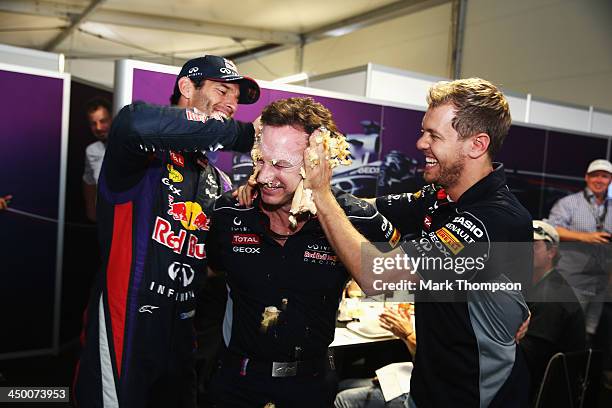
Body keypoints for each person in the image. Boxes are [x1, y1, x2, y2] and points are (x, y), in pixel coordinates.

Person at [305, 78, 533, 407]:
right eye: (423, 131)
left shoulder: (494, 219)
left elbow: (379, 276)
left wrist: (321, 195)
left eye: (434, 136)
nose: (420, 143)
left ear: (476, 145)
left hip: (475, 397)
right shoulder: (441, 197)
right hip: (429, 387)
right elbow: (369, 207)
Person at [73, 55, 260, 408]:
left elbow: (216, 259)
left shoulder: (216, 178)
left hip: (183, 329)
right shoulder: (142, 150)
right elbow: (132, 123)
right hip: (126, 323)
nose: (232, 104)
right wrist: (248, 135)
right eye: (223, 91)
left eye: (237, 98)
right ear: (187, 88)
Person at [205, 97, 398, 407]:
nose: (265, 175)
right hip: (236, 386)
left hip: (310, 388)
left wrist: (323, 201)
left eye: (281, 164)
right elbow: (207, 276)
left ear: (317, 162)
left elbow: (391, 284)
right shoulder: (230, 212)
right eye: (260, 160)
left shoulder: (355, 218)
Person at [521, 220, 586, 401]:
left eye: (534, 245)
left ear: (551, 252)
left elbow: (529, 356)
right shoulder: (535, 284)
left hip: (549, 393)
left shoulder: (552, 295)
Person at [334, 305, 416, 408]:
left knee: (342, 399)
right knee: (341, 385)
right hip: (409, 374)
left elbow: (432, 360)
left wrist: (408, 335)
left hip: (421, 392)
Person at [82, 97, 113, 222]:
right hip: (104, 218)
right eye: (93, 123)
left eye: (103, 121)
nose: (98, 127)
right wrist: (91, 210)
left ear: (112, 119)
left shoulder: (128, 145)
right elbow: (89, 181)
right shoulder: (92, 150)